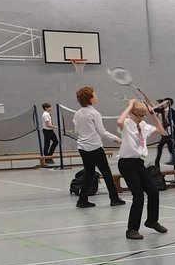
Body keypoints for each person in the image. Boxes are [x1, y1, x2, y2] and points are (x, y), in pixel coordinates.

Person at [116, 98, 167, 240]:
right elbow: (119, 121)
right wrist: (130, 105)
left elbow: (161, 131)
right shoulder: (126, 123)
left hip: (138, 163)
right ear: (131, 113)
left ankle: (151, 221)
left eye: (142, 115)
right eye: (137, 115)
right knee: (138, 195)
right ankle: (131, 230)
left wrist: (152, 114)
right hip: (126, 164)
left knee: (153, 191)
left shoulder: (143, 125)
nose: (139, 118)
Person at [71, 86, 126, 209]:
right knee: (106, 173)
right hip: (94, 148)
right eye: (95, 95)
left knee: (89, 173)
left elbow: (76, 130)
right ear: (90, 99)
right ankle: (114, 198)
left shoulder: (77, 113)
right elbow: (102, 132)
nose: (97, 96)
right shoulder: (94, 113)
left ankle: (82, 200)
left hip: (82, 147)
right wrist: (117, 139)